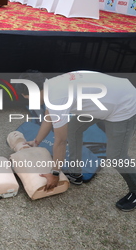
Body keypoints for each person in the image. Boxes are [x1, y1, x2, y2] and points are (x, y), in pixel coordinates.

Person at [17, 70, 136, 211]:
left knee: (116, 156)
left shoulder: (56, 97)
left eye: (29, 98)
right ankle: (75, 172)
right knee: (73, 129)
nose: (31, 103)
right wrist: (36, 141)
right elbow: (48, 117)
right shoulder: (50, 85)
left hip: (123, 104)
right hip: (105, 100)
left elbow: (60, 141)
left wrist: (55, 173)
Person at [7, 131, 69, 200]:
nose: (16, 135)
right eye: (13, 136)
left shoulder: (14, 157)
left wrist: (55, 175)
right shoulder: (43, 150)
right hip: (41, 185)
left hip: (39, 185)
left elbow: (60, 142)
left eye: (17, 134)